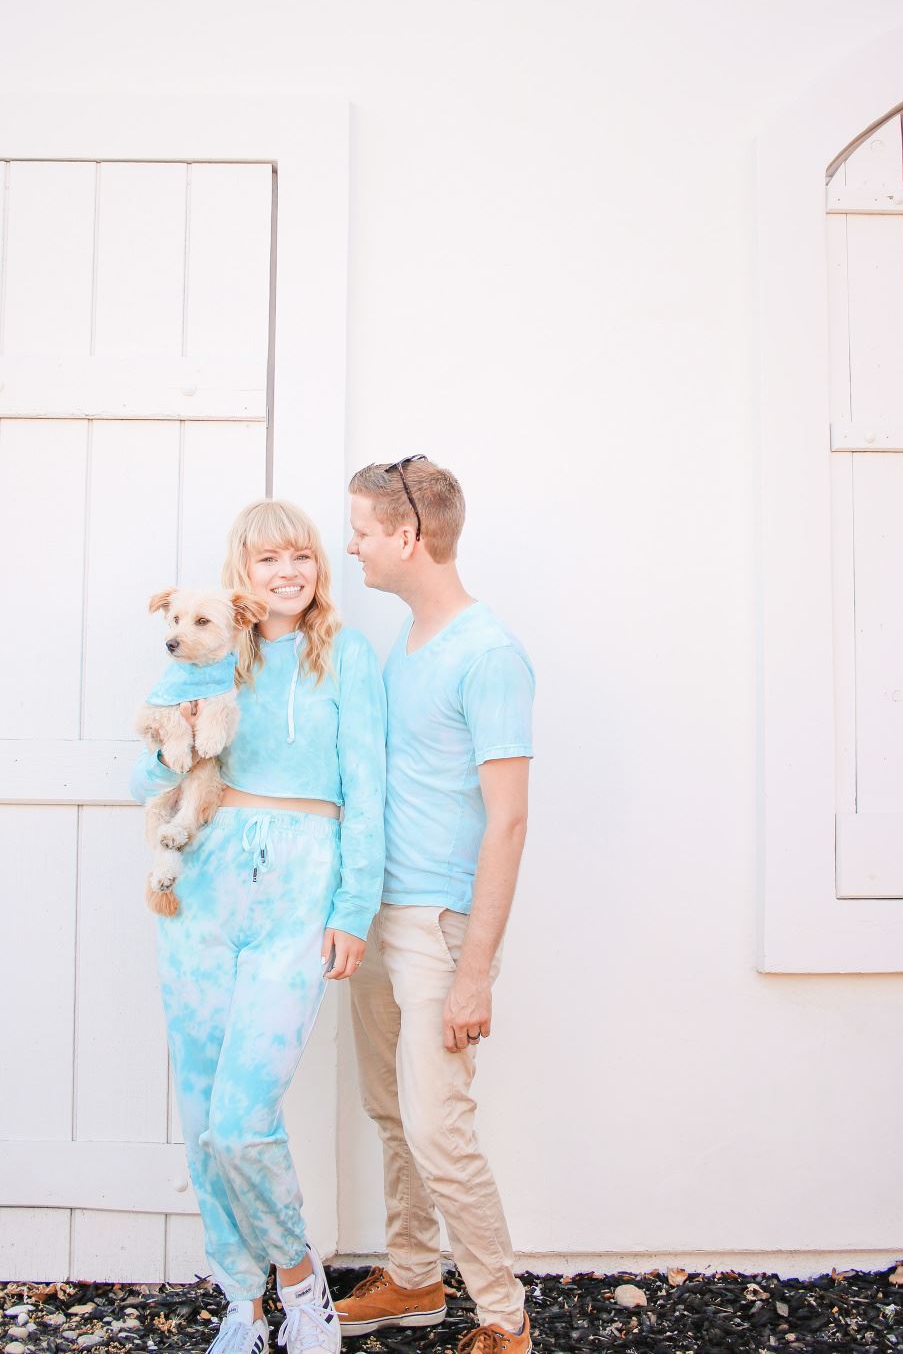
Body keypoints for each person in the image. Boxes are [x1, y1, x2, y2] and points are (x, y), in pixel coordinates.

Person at [130, 499, 386, 1354]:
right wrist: (179, 739)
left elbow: (368, 792)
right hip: (203, 884)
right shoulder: (210, 647)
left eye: (302, 557)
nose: (288, 574)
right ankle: (239, 1297)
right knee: (204, 1111)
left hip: (301, 888)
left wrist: (354, 909)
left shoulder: (346, 654)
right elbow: (143, 777)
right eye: (268, 560)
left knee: (244, 1116)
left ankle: (297, 1278)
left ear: (317, 567)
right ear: (242, 574)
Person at [339, 457, 535, 1354]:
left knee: (438, 1129)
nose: (354, 547)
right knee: (389, 1110)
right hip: (378, 912)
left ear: (408, 536)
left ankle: (504, 1317)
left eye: (366, 532)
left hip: (439, 928)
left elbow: (508, 822)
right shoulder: (406, 639)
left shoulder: (488, 654)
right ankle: (416, 1278)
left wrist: (473, 976)